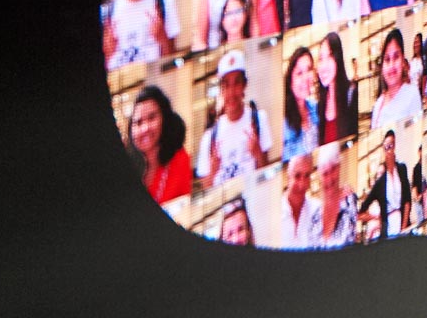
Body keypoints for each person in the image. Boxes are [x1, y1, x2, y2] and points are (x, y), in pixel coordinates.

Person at [195, 50, 272, 187]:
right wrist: (213, 171)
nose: (231, 92)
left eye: (237, 83)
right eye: (226, 85)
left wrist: (258, 153)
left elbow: (266, 175)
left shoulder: (259, 119)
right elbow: (205, 187)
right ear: (221, 90)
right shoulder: (209, 137)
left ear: (244, 85)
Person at [126, 85, 192, 204]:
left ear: (164, 120)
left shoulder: (180, 160)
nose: (145, 128)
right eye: (138, 122)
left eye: (151, 118)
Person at [361, 128, 416, 237]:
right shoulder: (380, 183)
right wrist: (376, 218)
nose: (389, 150)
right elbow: (361, 211)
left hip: (403, 225)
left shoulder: (401, 168)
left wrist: (403, 227)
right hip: (388, 228)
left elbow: (407, 200)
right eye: (386, 147)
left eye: (391, 145)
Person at [372, 28, 423, 128]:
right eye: (387, 59)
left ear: (403, 61)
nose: (391, 65)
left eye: (396, 57)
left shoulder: (412, 94)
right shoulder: (378, 104)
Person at [317, 31, 361, 142]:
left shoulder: (351, 94)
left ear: (338, 59)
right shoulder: (319, 105)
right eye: (320, 59)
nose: (323, 66)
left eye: (330, 57)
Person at [282, 46, 322, 160]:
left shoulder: (316, 108)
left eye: (309, 70)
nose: (306, 78)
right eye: (299, 73)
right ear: (290, 80)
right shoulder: (283, 120)